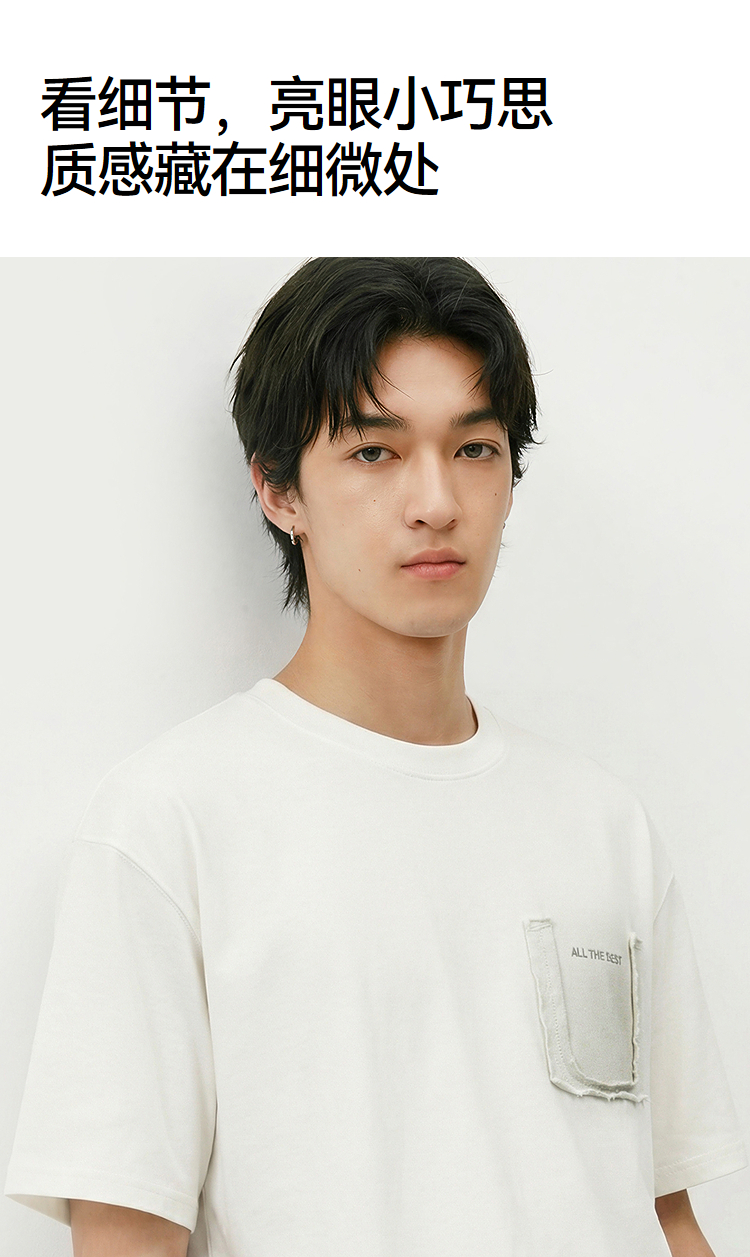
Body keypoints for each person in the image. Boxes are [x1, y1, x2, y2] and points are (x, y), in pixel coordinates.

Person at [5, 258, 746, 1257]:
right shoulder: (172, 819)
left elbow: (662, 1213)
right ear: (278, 490)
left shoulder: (603, 823)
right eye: (373, 452)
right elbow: (127, 1233)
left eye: (474, 448)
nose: (436, 500)